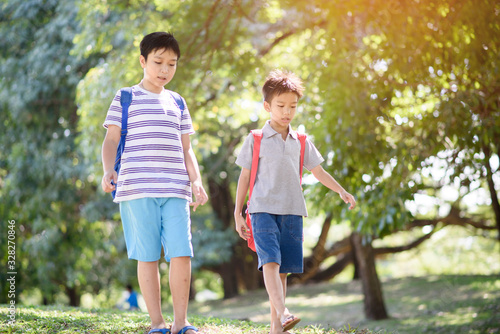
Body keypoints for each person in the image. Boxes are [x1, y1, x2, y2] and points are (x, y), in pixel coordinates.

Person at [234, 70, 356, 334]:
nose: (287, 112)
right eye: (280, 106)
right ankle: (284, 312)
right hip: (261, 209)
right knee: (270, 262)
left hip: (292, 212)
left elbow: (318, 171)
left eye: (293, 106)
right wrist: (237, 212)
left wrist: (341, 191)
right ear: (267, 106)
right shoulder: (255, 138)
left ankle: (276, 328)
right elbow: (244, 176)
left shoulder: (301, 140)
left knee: (282, 272)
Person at [101, 31, 208, 334]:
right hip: (137, 189)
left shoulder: (178, 102)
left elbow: (187, 149)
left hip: (176, 189)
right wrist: (108, 169)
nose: (165, 70)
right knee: (147, 256)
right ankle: (157, 323)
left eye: (172, 64)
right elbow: (110, 140)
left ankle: (182, 322)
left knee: (182, 253)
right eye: (158, 62)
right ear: (143, 61)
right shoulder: (126, 97)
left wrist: (196, 181)